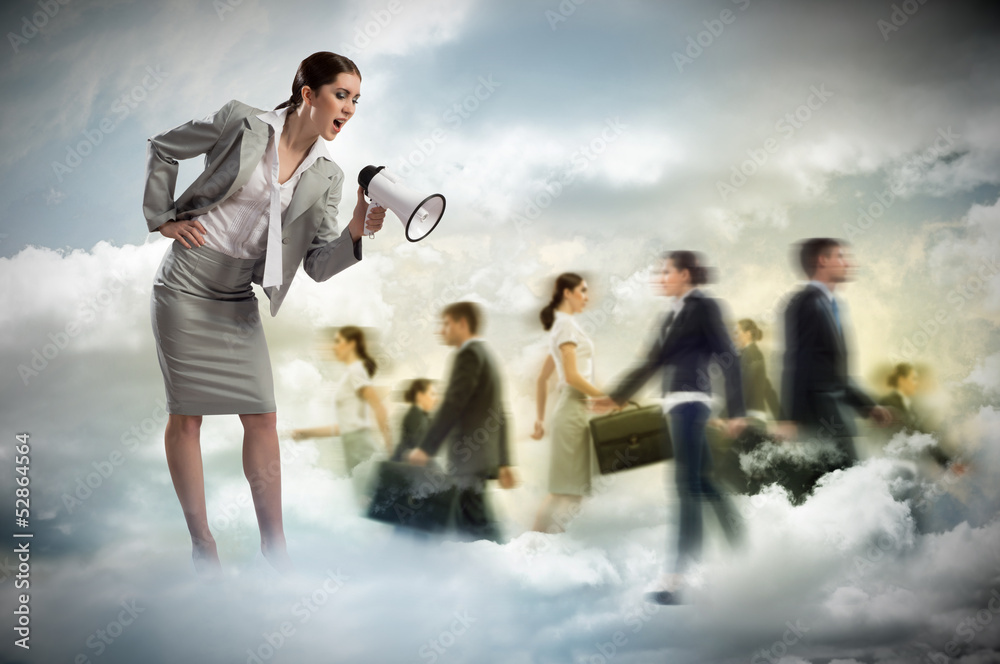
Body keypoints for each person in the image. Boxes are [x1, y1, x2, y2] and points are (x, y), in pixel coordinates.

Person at [144, 51, 387, 576]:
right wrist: (164, 220)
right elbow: (164, 148)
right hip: (186, 284)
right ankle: (203, 544)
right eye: (341, 95)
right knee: (187, 418)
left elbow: (319, 265)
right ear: (308, 94)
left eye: (356, 101)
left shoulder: (327, 175)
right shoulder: (243, 121)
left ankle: (275, 552)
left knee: (263, 417)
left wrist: (355, 232)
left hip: (237, 298)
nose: (349, 109)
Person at [593, 251, 747, 604]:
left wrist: (737, 409)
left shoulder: (704, 307)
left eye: (666, 272)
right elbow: (651, 363)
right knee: (702, 482)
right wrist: (615, 398)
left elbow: (729, 355)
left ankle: (677, 577)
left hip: (692, 401)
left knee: (685, 486)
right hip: (676, 404)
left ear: (686, 274)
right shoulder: (671, 316)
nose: (659, 278)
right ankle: (741, 546)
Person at [779, 238, 890, 482]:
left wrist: (867, 405)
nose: (848, 263)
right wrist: (790, 417)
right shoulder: (803, 304)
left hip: (837, 415)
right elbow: (796, 360)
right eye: (840, 256)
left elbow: (834, 371)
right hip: (819, 416)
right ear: (822, 261)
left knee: (841, 486)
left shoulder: (833, 305)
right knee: (847, 484)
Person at [407, 302, 516, 543]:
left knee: (478, 529)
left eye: (446, 324)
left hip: (468, 460)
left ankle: (505, 570)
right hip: (481, 459)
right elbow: (501, 413)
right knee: (471, 525)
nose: (441, 330)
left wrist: (426, 448)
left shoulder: (468, 355)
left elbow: (453, 405)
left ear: (462, 324)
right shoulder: (488, 356)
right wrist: (504, 462)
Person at [530, 273, 604, 533]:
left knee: (569, 491)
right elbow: (572, 376)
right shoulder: (566, 326)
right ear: (567, 293)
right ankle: (534, 547)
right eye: (582, 290)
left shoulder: (563, 325)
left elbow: (543, 379)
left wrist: (539, 421)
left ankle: (539, 546)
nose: (586, 296)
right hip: (573, 410)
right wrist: (604, 398)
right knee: (567, 492)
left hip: (574, 410)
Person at [292, 327, 394, 473]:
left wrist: (389, 447)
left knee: (370, 493)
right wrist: (308, 433)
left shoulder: (356, 372)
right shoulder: (352, 373)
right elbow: (346, 426)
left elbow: (378, 407)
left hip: (359, 447)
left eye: (338, 341)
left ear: (351, 344)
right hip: (353, 445)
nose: (334, 347)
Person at [391, 379, 437, 462]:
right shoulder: (415, 417)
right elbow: (419, 447)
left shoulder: (421, 416)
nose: (435, 399)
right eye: (432, 394)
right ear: (420, 396)